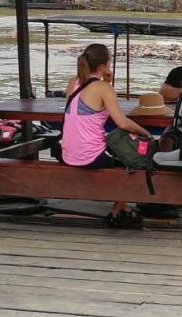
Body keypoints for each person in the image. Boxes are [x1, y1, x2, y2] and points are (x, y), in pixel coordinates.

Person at [59, 43, 153, 227]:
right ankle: (118, 209)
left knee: (121, 152)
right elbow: (123, 123)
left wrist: (107, 81)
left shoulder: (73, 83)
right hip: (90, 156)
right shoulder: (104, 88)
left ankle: (121, 208)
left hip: (68, 152)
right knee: (136, 160)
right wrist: (146, 133)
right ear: (102, 66)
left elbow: (91, 96)